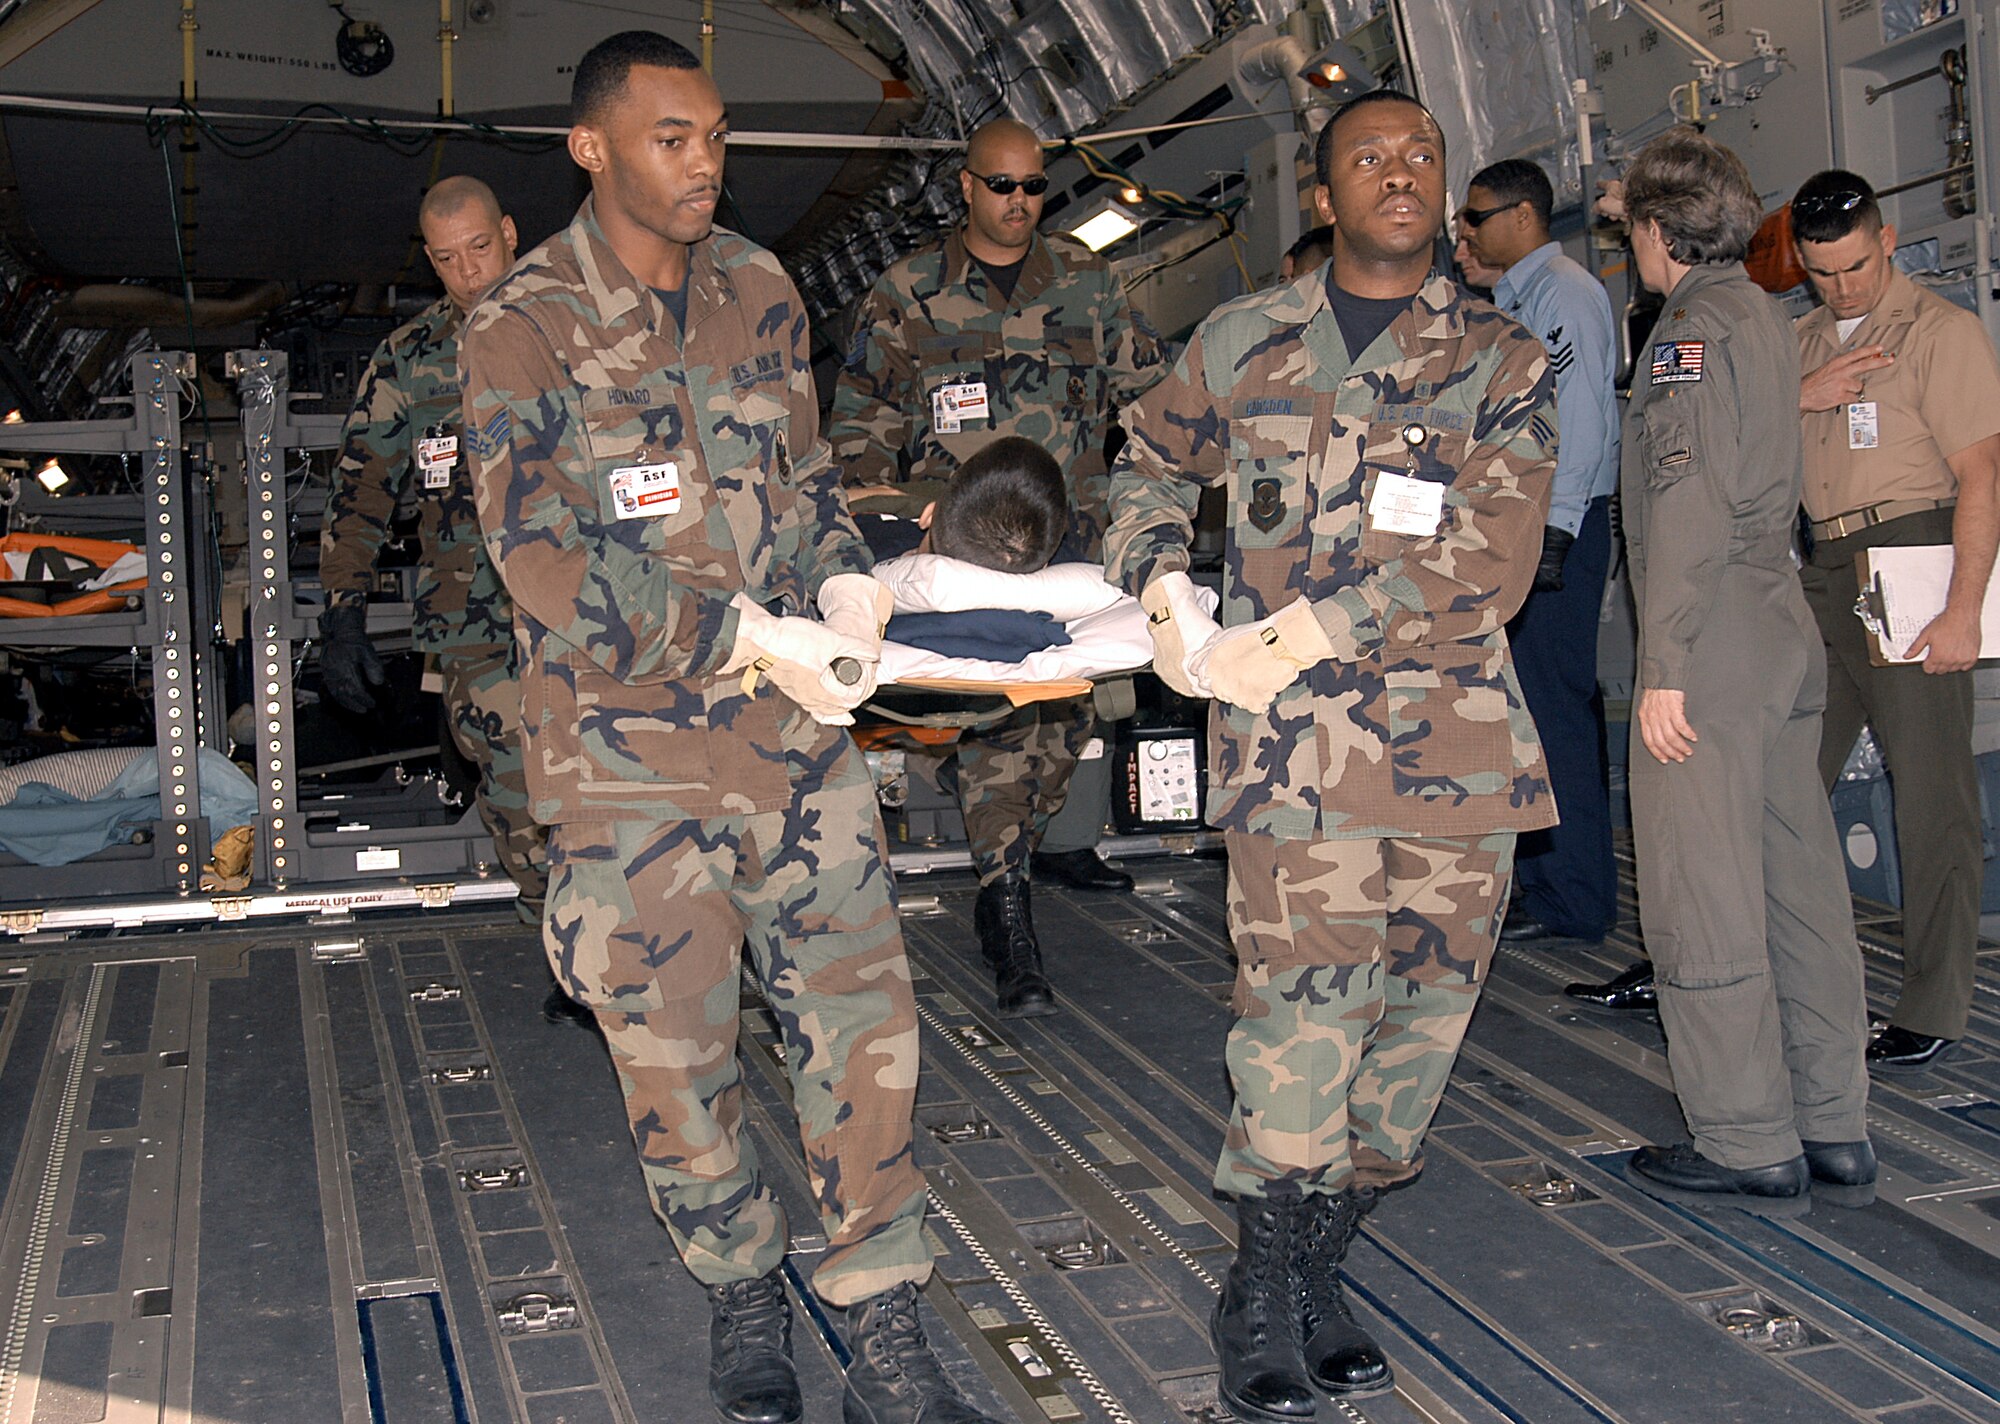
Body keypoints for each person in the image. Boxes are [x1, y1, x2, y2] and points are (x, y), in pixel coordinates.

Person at [458, 32, 1002, 1424]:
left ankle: (882, 1311)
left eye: (716, 135)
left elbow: (806, 473)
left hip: (791, 741)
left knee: (860, 1030)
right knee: (676, 1054)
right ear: (592, 149)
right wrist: (741, 630)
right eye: (673, 138)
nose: (706, 163)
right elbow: (543, 558)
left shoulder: (761, 288)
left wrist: (836, 582)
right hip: (623, 758)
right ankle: (741, 1281)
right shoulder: (521, 325)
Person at [1105, 89, 1557, 1420]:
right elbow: (1143, 466)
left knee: (1411, 1051)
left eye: (1423, 154)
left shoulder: (1504, 361)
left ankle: (1323, 1272)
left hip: (1453, 761)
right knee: (1299, 1034)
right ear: (1324, 197)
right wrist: (1164, 596)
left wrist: (1313, 623)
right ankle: (1262, 1291)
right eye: (1370, 157)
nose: (1400, 173)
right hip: (1295, 763)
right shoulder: (1245, 339)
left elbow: (1498, 558)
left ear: (1446, 190)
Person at [829, 115, 1166, 1018]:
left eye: (1035, 188)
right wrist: (909, 518)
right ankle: (1006, 899)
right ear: (966, 189)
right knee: (1008, 723)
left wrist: (1145, 505)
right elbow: (858, 440)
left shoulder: (1091, 285)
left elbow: (1154, 407)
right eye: (1003, 186)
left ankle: (1028, 858)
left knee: (1057, 717)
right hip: (958, 557)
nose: (1021, 204)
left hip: (1064, 552)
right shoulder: (907, 294)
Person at [1615, 130, 1872, 1219]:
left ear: (1653, 229)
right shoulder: (1768, 319)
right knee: (1798, 887)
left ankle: (1741, 1135)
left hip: (1707, 636)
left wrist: (1660, 661)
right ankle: (1833, 1123)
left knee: (1700, 888)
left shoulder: (1686, 331)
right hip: (1777, 621)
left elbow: (1683, 502)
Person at [1792, 169, 2000, 1070]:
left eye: (1853, 267)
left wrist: (1964, 611)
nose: (1842, 287)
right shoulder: (1794, 344)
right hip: (1822, 566)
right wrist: (1801, 395)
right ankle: (1766, 969)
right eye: (1822, 273)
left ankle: (1935, 1003)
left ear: (1885, 239)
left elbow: (1985, 475)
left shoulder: (1940, 332)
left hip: (1912, 557)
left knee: (1931, 796)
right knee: (1785, 778)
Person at [318, 176, 552, 929]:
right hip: (476, 621)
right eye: (448, 258)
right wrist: (342, 615)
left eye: (481, 248)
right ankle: (563, 937)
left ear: (511, 232)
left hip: (595, 605)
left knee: (620, 778)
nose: (470, 271)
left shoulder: (579, 326)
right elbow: (360, 491)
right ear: (430, 259)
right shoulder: (410, 359)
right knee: (517, 784)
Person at [1459, 158, 1621, 946]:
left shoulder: (1565, 294)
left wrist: (1555, 529)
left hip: (1563, 526)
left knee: (1557, 708)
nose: (1465, 233)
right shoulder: (1515, 301)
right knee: (1528, 712)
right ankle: (1543, 881)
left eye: (1476, 217)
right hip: (1526, 524)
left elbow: (1582, 415)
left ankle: (1577, 896)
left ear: (1522, 216)